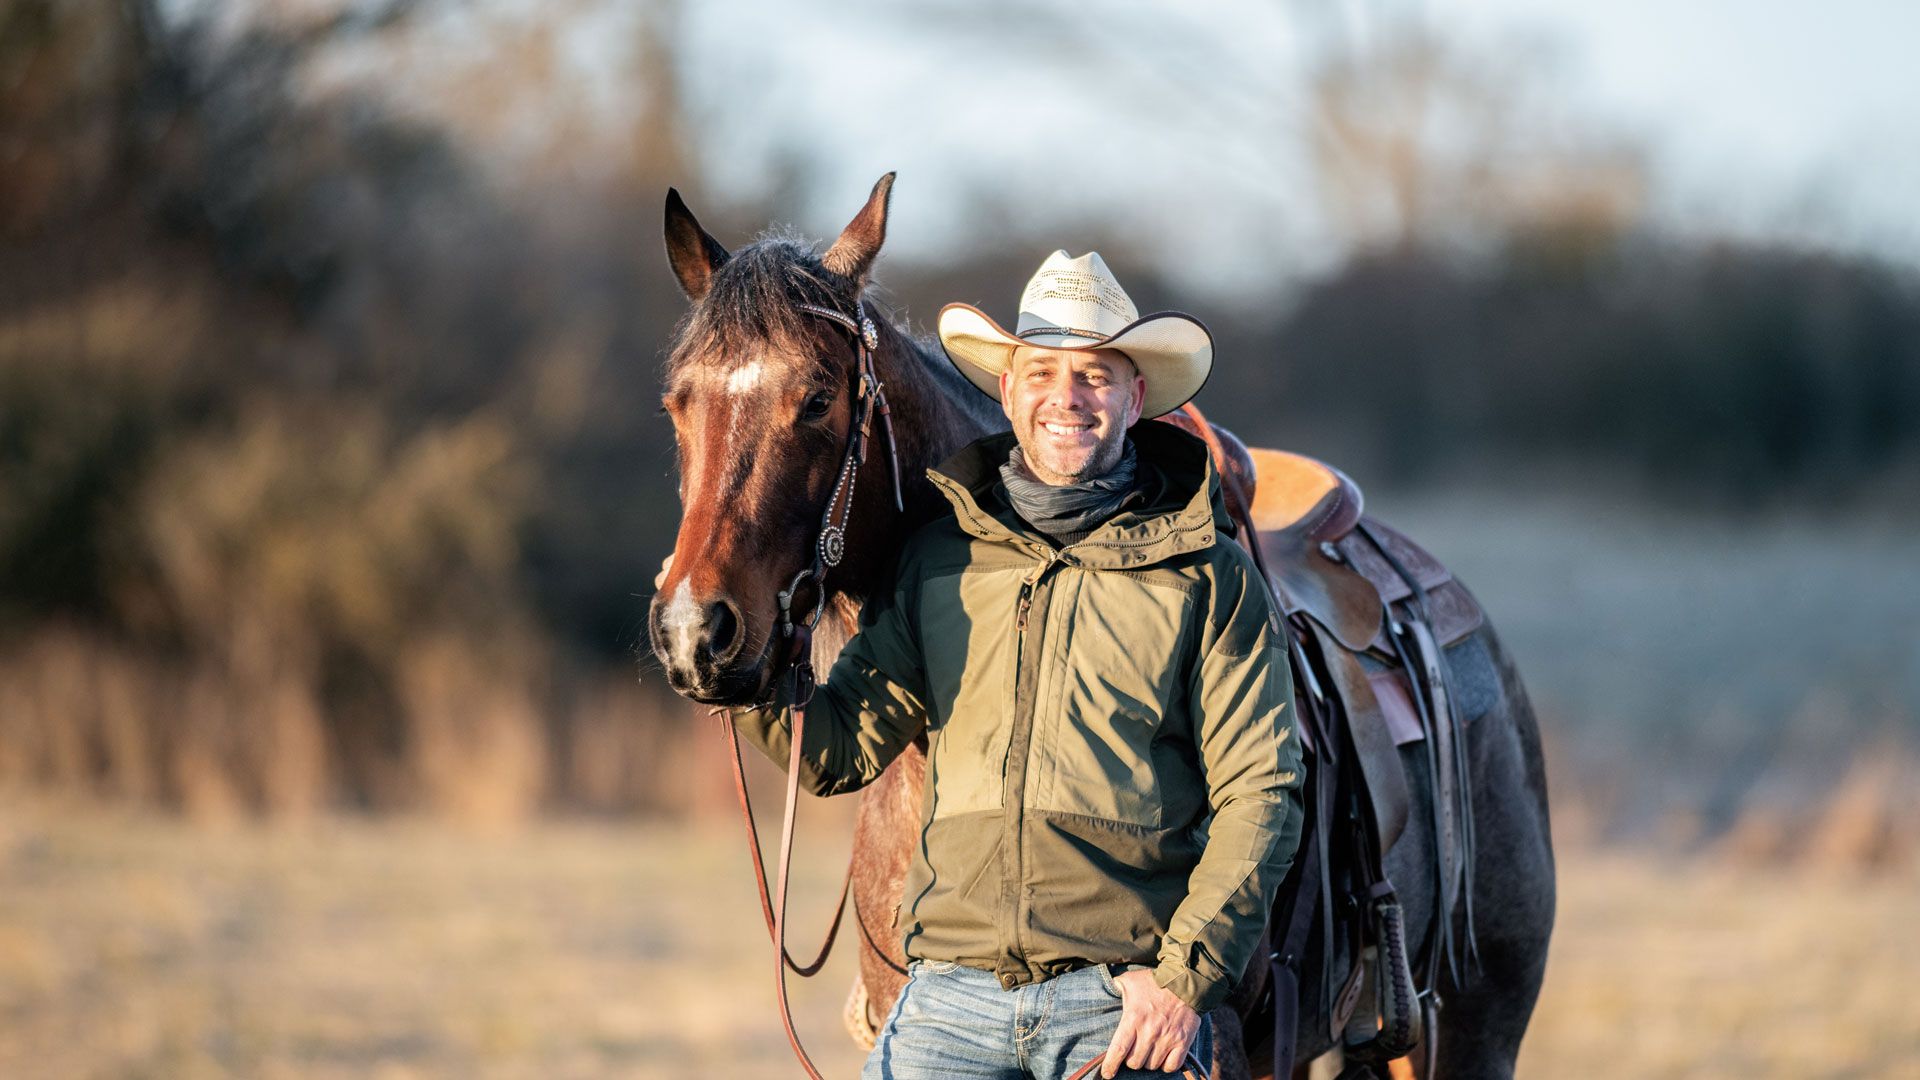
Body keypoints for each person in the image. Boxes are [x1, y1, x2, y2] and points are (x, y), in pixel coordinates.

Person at [727, 251, 1304, 1079]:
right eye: (1041, 371)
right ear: (1007, 390)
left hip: (1122, 1010)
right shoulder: (939, 561)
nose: (1065, 398)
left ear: (1136, 396)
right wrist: (748, 671)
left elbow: (1263, 794)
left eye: (1095, 376)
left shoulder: (1208, 578)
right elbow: (837, 748)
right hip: (948, 1003)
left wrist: (1182, 984)